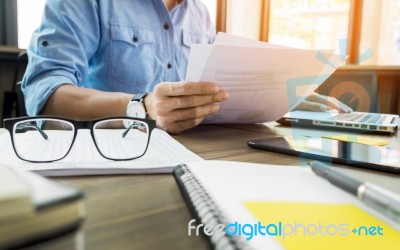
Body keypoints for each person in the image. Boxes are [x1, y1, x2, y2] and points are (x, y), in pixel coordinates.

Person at [22, 0, 350, 134]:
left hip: (189, 157)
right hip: (109, 159)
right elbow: (45, 94)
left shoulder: (199, 14)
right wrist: (140, 107)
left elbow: (209, 92)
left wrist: (282, 97)